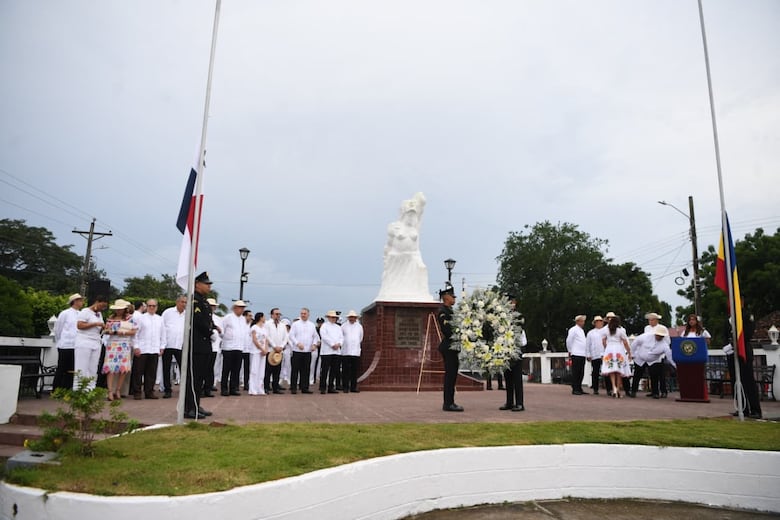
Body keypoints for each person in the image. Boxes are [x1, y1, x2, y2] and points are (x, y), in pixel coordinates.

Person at [376, 192, 432, 301]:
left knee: (422, 268)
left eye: (413, 215)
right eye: (409, 215)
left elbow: (421, 210)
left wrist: (420, 200)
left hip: (413, 258)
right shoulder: (394, 227)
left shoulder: (415, 227)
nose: (411, 217)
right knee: (392, 286)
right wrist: (386, 260)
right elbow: (388, 245)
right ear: (404, 215)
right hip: (397, 261)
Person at [184, 271, 215, 419]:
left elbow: (208, 320)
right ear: (197, 285)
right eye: (206, 284)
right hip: (196, 344)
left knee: (199, 378)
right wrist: (210, 333)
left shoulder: (204, 301)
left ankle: (196, 404)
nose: (209, 286)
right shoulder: (194, 300)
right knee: (193, 378)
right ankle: (189, 408)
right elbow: (198, 321)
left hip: (204, 345)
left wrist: (213, 328)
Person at [102, 300, 137, 401]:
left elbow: (134, 331)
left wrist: (123, 332)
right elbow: (105, 330)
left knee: (123, 368)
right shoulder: (111, 318)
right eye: (117, 309)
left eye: (120, 309)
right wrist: (109, 331)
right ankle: (110, 391)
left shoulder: (130, 318)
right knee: (110, 368)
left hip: (124, 344)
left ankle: (118, 389)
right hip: (112, 344)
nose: (118, 311)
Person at [73, 295, 109, 390]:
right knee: (82, 366)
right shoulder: (85, 311)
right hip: (84, 341)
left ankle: (90, 388)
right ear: (97, 302)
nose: (102, 308)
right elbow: (79, 325)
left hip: (96, 341)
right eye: (102, 306)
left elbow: (99, 328)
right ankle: (79, 389)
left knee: (93, 367)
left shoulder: (99, 314)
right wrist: (95, 324)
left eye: (104, 307)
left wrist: (104, 328)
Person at [131, 299, 164, 399]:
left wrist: (162, 347)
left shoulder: (160, 319)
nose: (152, 307)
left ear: (157, 307)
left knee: (151, 372)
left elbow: (163, 334)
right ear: (146, 307)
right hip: (142, 348)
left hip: (154, 348)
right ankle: (137, 392)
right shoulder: (141, 318)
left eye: (154, 306)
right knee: (138, 371)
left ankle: (149, 392)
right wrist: (136, 346)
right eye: (150, 306)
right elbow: (135, 334)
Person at [438, 284, 463, 412]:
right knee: (450, 376)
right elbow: (447, 330)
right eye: (452, 297)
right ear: (446, 297)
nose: (454, 299)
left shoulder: (450, 311)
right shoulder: (443, 312)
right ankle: (448, 403)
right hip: (449, 347)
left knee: (452, 376)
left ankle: (450, 402)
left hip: (452, 347)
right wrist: (459, 333)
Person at [499, 298, 526, 412]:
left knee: (517, 378)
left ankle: (519, 403)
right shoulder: (502, 316)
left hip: (516, 348)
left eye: (512, 302)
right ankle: (509, 402)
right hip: (506, 349)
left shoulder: (518, 316)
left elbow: (518, 331)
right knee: (508, 377)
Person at [53, 293, 84, 391]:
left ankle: (67, 388)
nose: (82, 302)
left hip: (76, 345)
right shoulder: (65, 313)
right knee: (62, 367)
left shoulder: (81, 314)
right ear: (74, 301)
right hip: (65, 345)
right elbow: (58, 328)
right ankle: (56, 389)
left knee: (72, 369)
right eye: (80, 300)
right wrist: (60, 340)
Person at [629, 325, 669, 398]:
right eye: (658, 335)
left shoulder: (664, 343)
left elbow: (668, 354)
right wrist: (632, 354)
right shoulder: (645, 336)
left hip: (654, 360)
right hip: (640, 357)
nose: (659, 337)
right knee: (637, 374)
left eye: (661, 336)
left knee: (654, 375)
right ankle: (633, 391)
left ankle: (655, 392)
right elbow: (635, 343)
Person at [220, 300, 249, 396]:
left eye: (243, 308)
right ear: (235, 308)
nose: (242, 309)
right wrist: (226, 337)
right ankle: (224, 388)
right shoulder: (228, 317)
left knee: (236, 369)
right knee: (226, 369)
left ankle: (233, 388)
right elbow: (221, 330)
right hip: (228, 347)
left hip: (239, 347)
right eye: (240, 307)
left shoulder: (243, 319)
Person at [160, 295, 187, 399]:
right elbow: (162, 328)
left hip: (180, 345)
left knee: (183, 368)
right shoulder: (168, 312)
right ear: (177, 302)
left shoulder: (187, 314)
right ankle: (167, 389)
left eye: (185, 302)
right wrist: (162, 344)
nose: (184, 304)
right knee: (166, 368)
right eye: (182, 302)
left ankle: (184, 389)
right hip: (168, 344)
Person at [288, 308, 320, 394]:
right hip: (297, 350)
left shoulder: (312, 325)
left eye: (304, 313)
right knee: (295, 370)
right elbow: (291, 335)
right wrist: (297, 343)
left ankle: (304, 387)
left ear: (308, 314)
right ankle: (293, 387)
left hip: (307, 351)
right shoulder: (295, 324)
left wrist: (314, 344)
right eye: (302, 313)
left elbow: (315, 336)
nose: (303, 315)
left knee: (306, 370)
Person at [601, 315, 632, 398]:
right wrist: (629, 352)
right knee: (619, 370)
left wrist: (606, 348)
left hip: (609, 349)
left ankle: (614, 387)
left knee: (611, 369)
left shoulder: (606, 331)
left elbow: (603, 341)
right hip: (619, 349)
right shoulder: (620, 331)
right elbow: (625, 342)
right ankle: (617, 389)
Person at [644, 312, 670, 397]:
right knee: (652, 373)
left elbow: (667, 340)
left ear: (656, 320)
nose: (650, 322)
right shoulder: (647, 328)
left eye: (652, 320)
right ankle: (654, 391)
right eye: (649, 320)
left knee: (661, 374)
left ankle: (663, 391)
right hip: (650, 352)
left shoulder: (662, 328)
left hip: (660, 353)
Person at [318, 310, 343, 394]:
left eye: (335, 317)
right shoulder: (324, 326)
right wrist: (332, 344)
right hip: (326, 351)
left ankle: (331, 387)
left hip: (336, 352)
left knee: (334, 370)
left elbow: (341, 337)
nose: (333, 319)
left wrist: (339, 344)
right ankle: (322, 387)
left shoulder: (338, 327)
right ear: (328, 318)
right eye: (332, 317)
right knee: (325, 370)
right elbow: (324, 337)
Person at [264, 308, 288, 394]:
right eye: (276, 314)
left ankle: (275, 387)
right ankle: (266, 387)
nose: (278, 316)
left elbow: (286, 337)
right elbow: (267, 336)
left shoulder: (282, 325)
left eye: (279, 314)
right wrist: (274, 346)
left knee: (277, 370)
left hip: (279, 351)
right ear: (272, 315)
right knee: (268, 370)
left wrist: (281, 346)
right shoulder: (267, 324)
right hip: (270, 350)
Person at [340, 310, 363, 393]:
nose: (352, 319)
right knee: (345, 370)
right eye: (350, 317)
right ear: (348, 318)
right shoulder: (343, 326)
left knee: (354, 370)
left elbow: (360, 338)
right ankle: (345, 387)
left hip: (355, 352)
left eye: (353, 317)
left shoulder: (359, 326)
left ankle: (353, 387)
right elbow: (340, 337)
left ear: (356, 318)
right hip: (346, 351)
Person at [565, 315, 588, 395]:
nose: (583, 323)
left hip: (582, 353)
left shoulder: (581, 330)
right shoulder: (573, 330)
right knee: (576, 371)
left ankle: (579, 387)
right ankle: (575, 388)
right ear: (578, 321)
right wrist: (570, 350)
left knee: (581, 372)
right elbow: (569, 340)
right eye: (582, 321)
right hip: (576, 353)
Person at [248, 312, 268, 396]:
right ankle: (252, 389)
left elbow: (266, 340)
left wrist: (265, 349)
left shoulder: (264, 328)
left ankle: (260, 388)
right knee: (254, 370)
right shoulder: (254, 327)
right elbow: (254, 340)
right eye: (264, 317)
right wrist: (261, 348)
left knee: (261, 371)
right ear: (260, 318)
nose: (265, 318)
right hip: (255, 351)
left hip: (263, 352)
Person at [585, 316, 605, 395]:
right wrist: (588, 354)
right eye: (598, 321)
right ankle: (595, 388)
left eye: (600, 321)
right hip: (595, 354)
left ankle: (609, 389)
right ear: (595, 323)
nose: (599, 323)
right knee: (595, 372)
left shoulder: (606, 331)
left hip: (605, 354)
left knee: (606, 372)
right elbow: (588, 344)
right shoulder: (591, 333)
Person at [206, 298, 222, 397]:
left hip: (214, 346)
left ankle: (209, 386)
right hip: (204, 346)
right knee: (203, 368)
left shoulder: (218, 319)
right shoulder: (203, 316)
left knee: (211, 368)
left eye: (213, 306)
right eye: (210, 306)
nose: (212, 308)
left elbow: (221, 332)